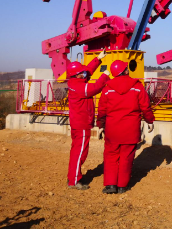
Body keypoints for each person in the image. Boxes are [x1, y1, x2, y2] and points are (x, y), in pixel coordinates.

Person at [97, 60, 155, 194]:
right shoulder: (137, 86)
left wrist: (100, 125)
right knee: (126, 156)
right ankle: (122, 186)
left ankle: (111, 185)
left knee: (111, 156)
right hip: (131, 128)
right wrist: (150, 120)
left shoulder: (107, 88)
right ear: (125, 71)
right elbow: (145, 106)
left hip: (112, 129)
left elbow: (102, 109)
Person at [66, 50, 110, 190]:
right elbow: (94, 88)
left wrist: (98, 59)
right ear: (76, 74)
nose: (84, 74)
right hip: (82, 123)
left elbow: (88, 71)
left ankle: (73, 176)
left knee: (76, 150)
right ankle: (74, 181)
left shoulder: (75, 81)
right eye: (81, 72)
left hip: (78, 122)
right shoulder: (78, 85)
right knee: (80, 152)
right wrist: (105, 76)